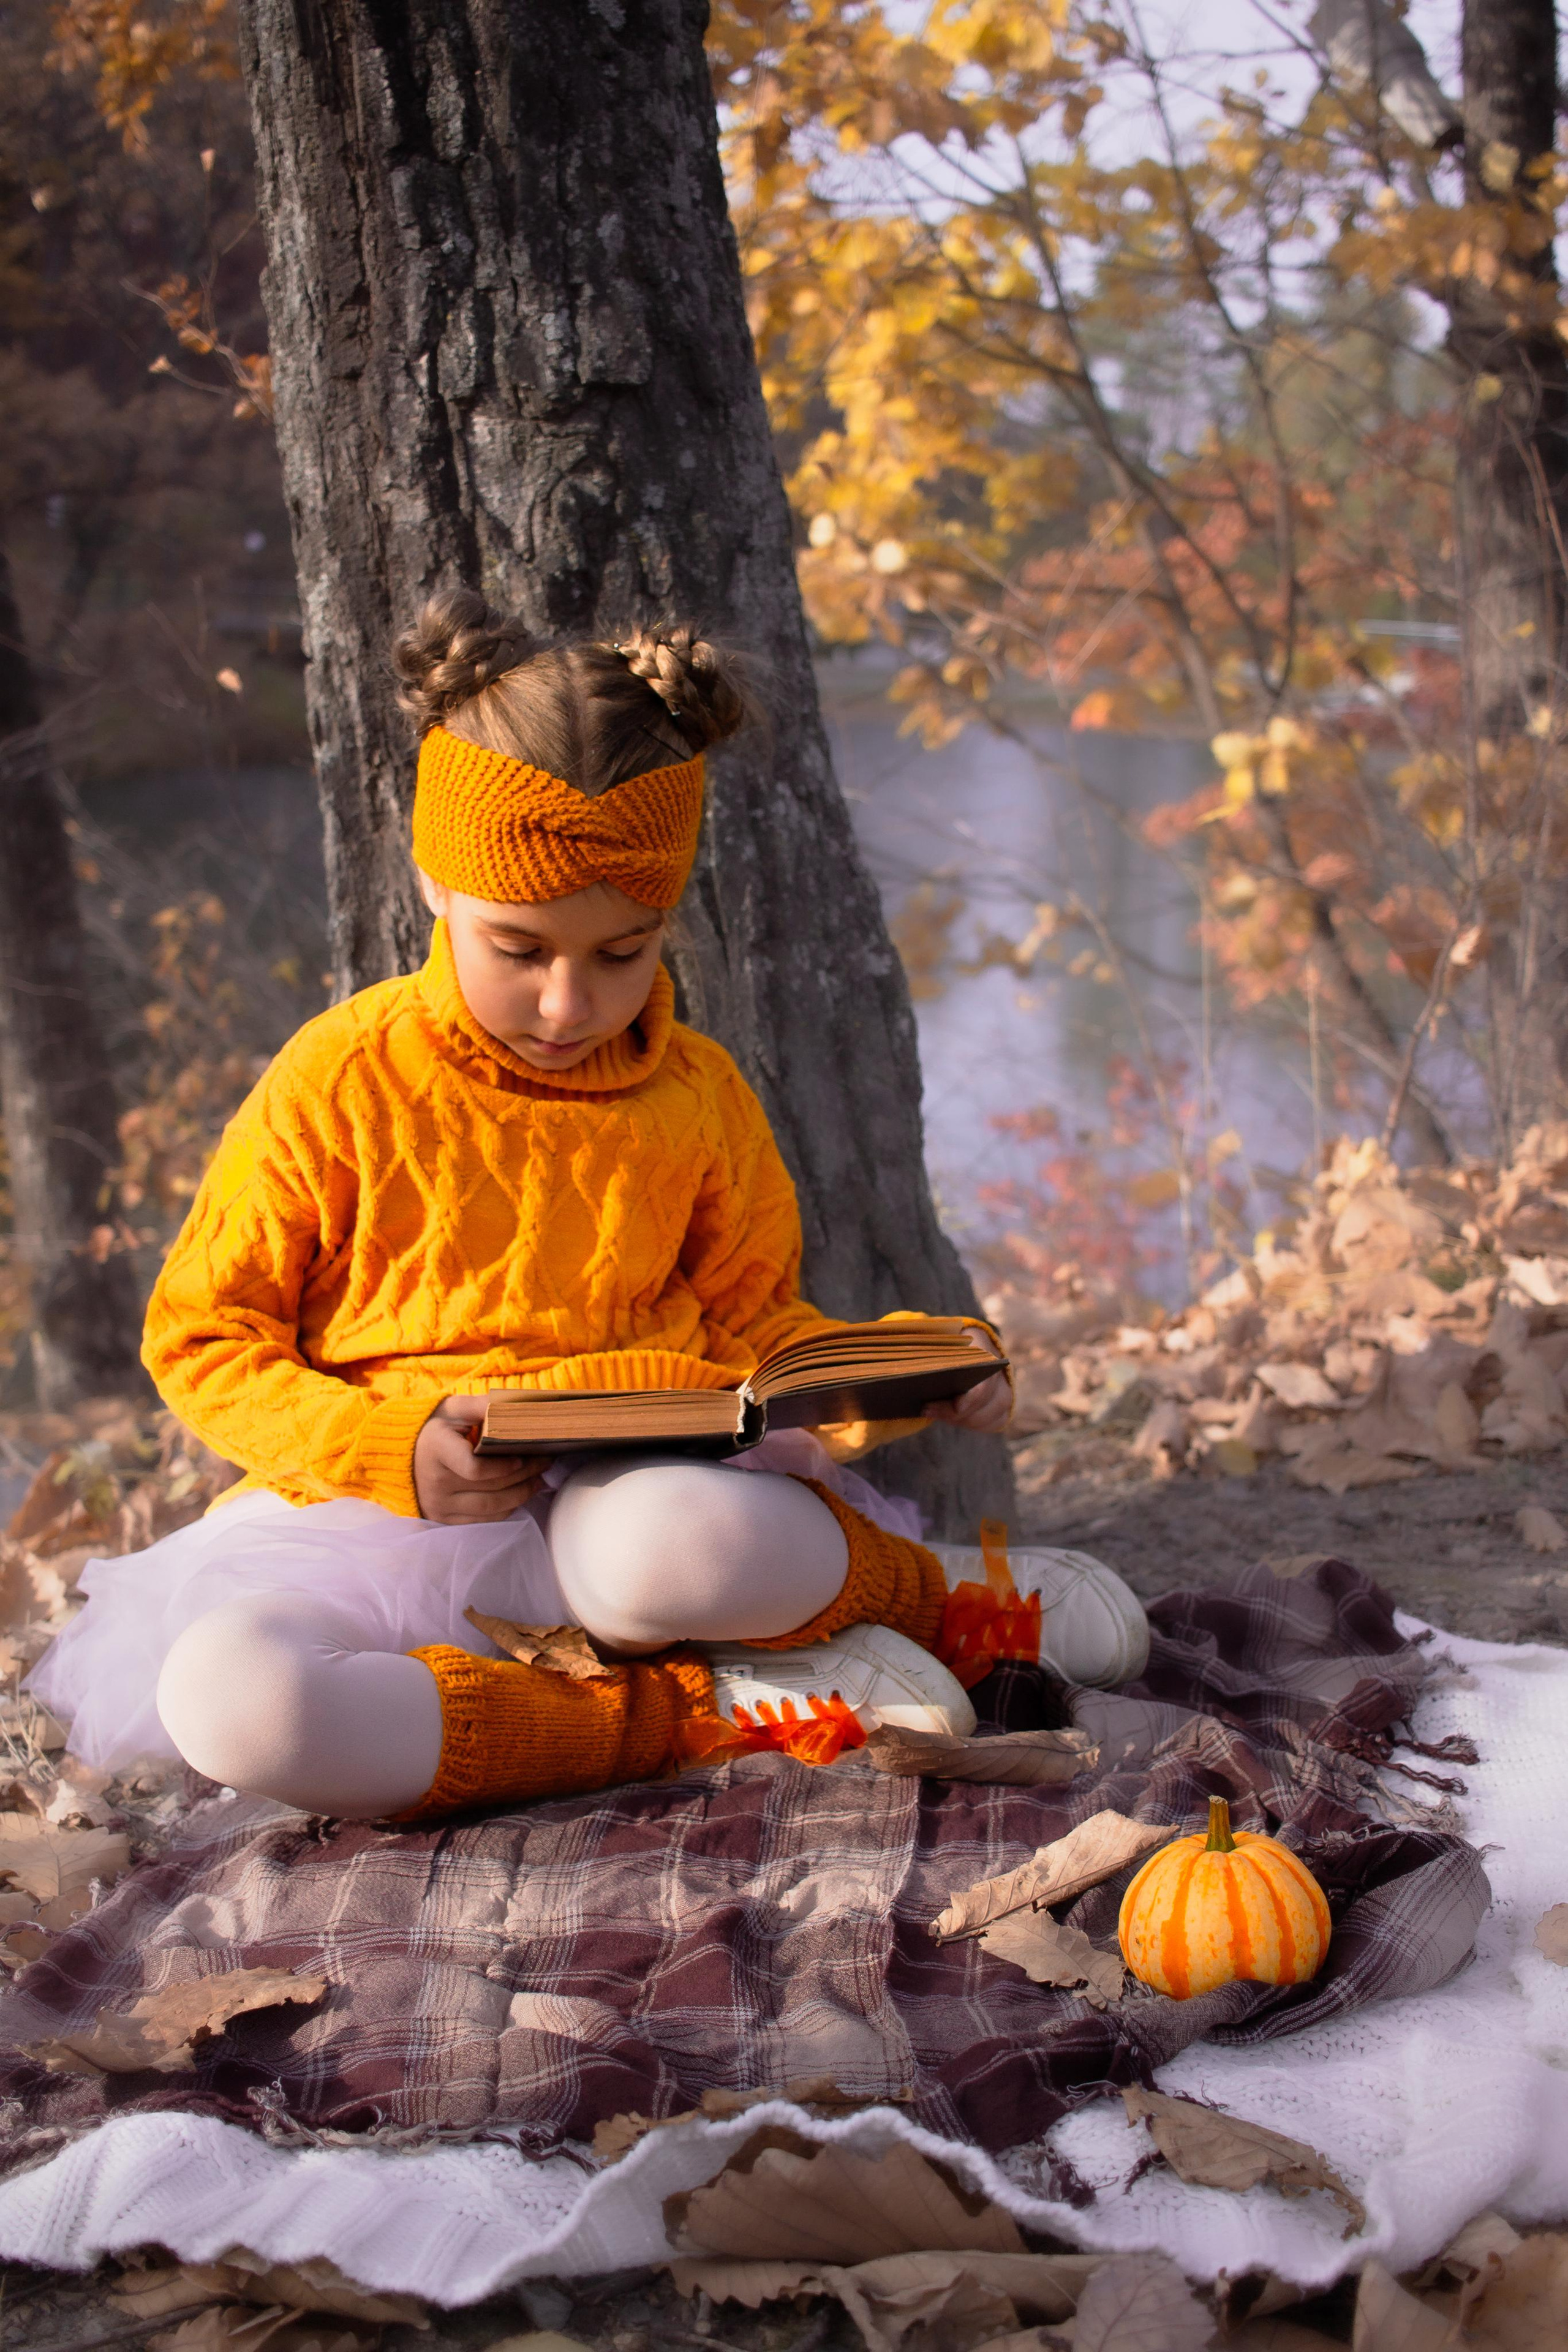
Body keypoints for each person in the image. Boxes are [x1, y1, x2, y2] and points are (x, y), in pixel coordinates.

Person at [29, 594, 1147, 1822]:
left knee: (673, 1544)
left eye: (623, 953)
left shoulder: (700, 1094)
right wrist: (389, 1448)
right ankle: (700, 1713)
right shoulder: (337, 1078)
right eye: (520, 948)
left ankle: (937, 1598)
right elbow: (200, 1338)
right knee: (241, 1701)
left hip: (644, 1513)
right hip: (370, 1526)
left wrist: (906, 1371)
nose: (568, 1004)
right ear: (432, 885)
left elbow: (760, 1326)